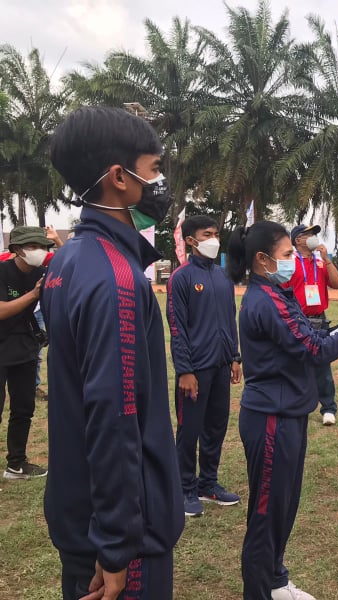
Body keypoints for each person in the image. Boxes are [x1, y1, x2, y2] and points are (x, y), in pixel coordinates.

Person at [42, 106, 184, 599]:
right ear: (120, 178)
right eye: (154, 168)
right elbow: (114, 416)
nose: (161, 181)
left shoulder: (67, 261)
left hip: (81, 516)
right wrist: (118, 544)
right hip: (121, 541)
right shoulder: (116, 279)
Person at [227, 220, 338, 600]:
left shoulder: (279, 293)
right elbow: (315, 352)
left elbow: (311, 337)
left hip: (289, 415)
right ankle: (260, 591)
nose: (292, 262)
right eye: (286, 255)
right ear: (263, 260)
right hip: (271, 420)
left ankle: (276, 580)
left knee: (283, 508)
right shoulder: (265, 300)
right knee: (266, 516)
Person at [167, 215, 242, 518]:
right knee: (190, 430)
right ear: (190, 241)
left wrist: (235, 357)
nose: (214, 239)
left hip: (221, 365)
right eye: (206, 234)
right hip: (195, 371)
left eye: (216, 233)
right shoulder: (181, 278)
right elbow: (177, 327)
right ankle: (184, 488)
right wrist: (185, 370)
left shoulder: (222, 276)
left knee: (216, 428)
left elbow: (229, 319)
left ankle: (207, 484)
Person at [0, 225, 54, 480]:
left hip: (26, 347)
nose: (40, 252)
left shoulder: (43, 271)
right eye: (34, 247)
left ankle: (16, 464)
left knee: (23, 408)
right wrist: (34, 293)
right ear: (17, 250)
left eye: (43, 247)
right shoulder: (2, 271)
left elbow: (74, 267)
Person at [285, 223, 338, 426]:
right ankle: (296, 404)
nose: (313, 238)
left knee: (322, 364)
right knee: (295, 363)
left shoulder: (320, 263)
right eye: (308, 234)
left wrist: (327, 259)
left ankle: (328, 408)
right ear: (297, 240)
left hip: (319, 317)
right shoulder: (289, 262)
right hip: (297, 318)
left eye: (313, 234)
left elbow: (337, 284)